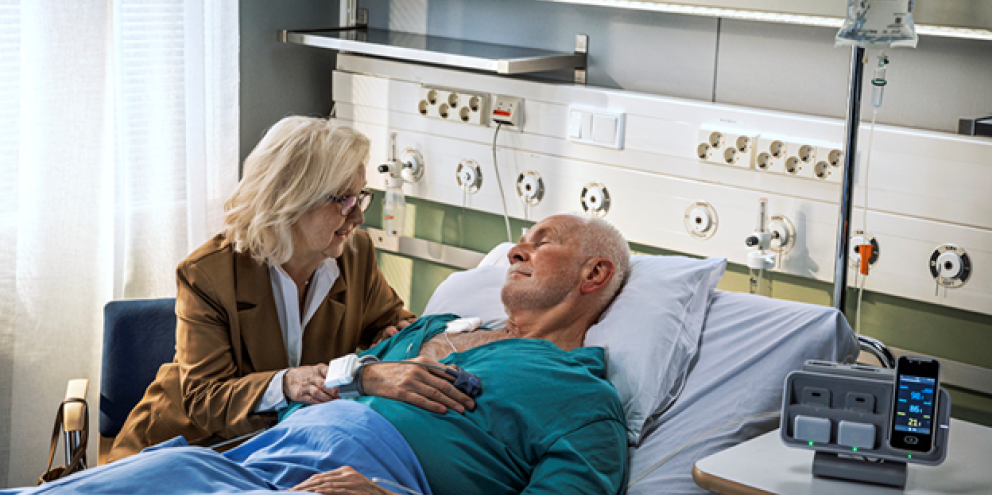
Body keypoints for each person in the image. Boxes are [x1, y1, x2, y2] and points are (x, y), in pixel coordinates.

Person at [12, 214, 631, 494]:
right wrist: (362, 375)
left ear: (594, 273)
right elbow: (340, 376)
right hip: (247, 457)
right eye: (518, 242)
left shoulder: (582, 398)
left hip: (356, 480)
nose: (515, 250)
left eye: (541, 242)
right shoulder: (439, 327)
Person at [108, 117, 475, 462]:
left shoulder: (355, 253)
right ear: (291, 200)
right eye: (345, 200)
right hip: (188, 448)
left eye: (360, 197)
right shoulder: (208, 275)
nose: (359, 217)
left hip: (282, 449)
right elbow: (206, 399)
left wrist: (392, 336)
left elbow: (390, 320)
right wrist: (285, 384)